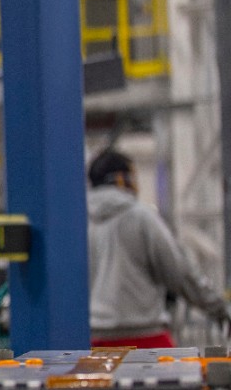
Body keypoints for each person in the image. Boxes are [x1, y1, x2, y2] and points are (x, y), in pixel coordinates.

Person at [86, 148, 230, 348]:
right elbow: (179, 272)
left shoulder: (77, 224)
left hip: (91, 342)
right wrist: (219, 309)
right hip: (145, 337)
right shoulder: (141, 217)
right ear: (122, 179)